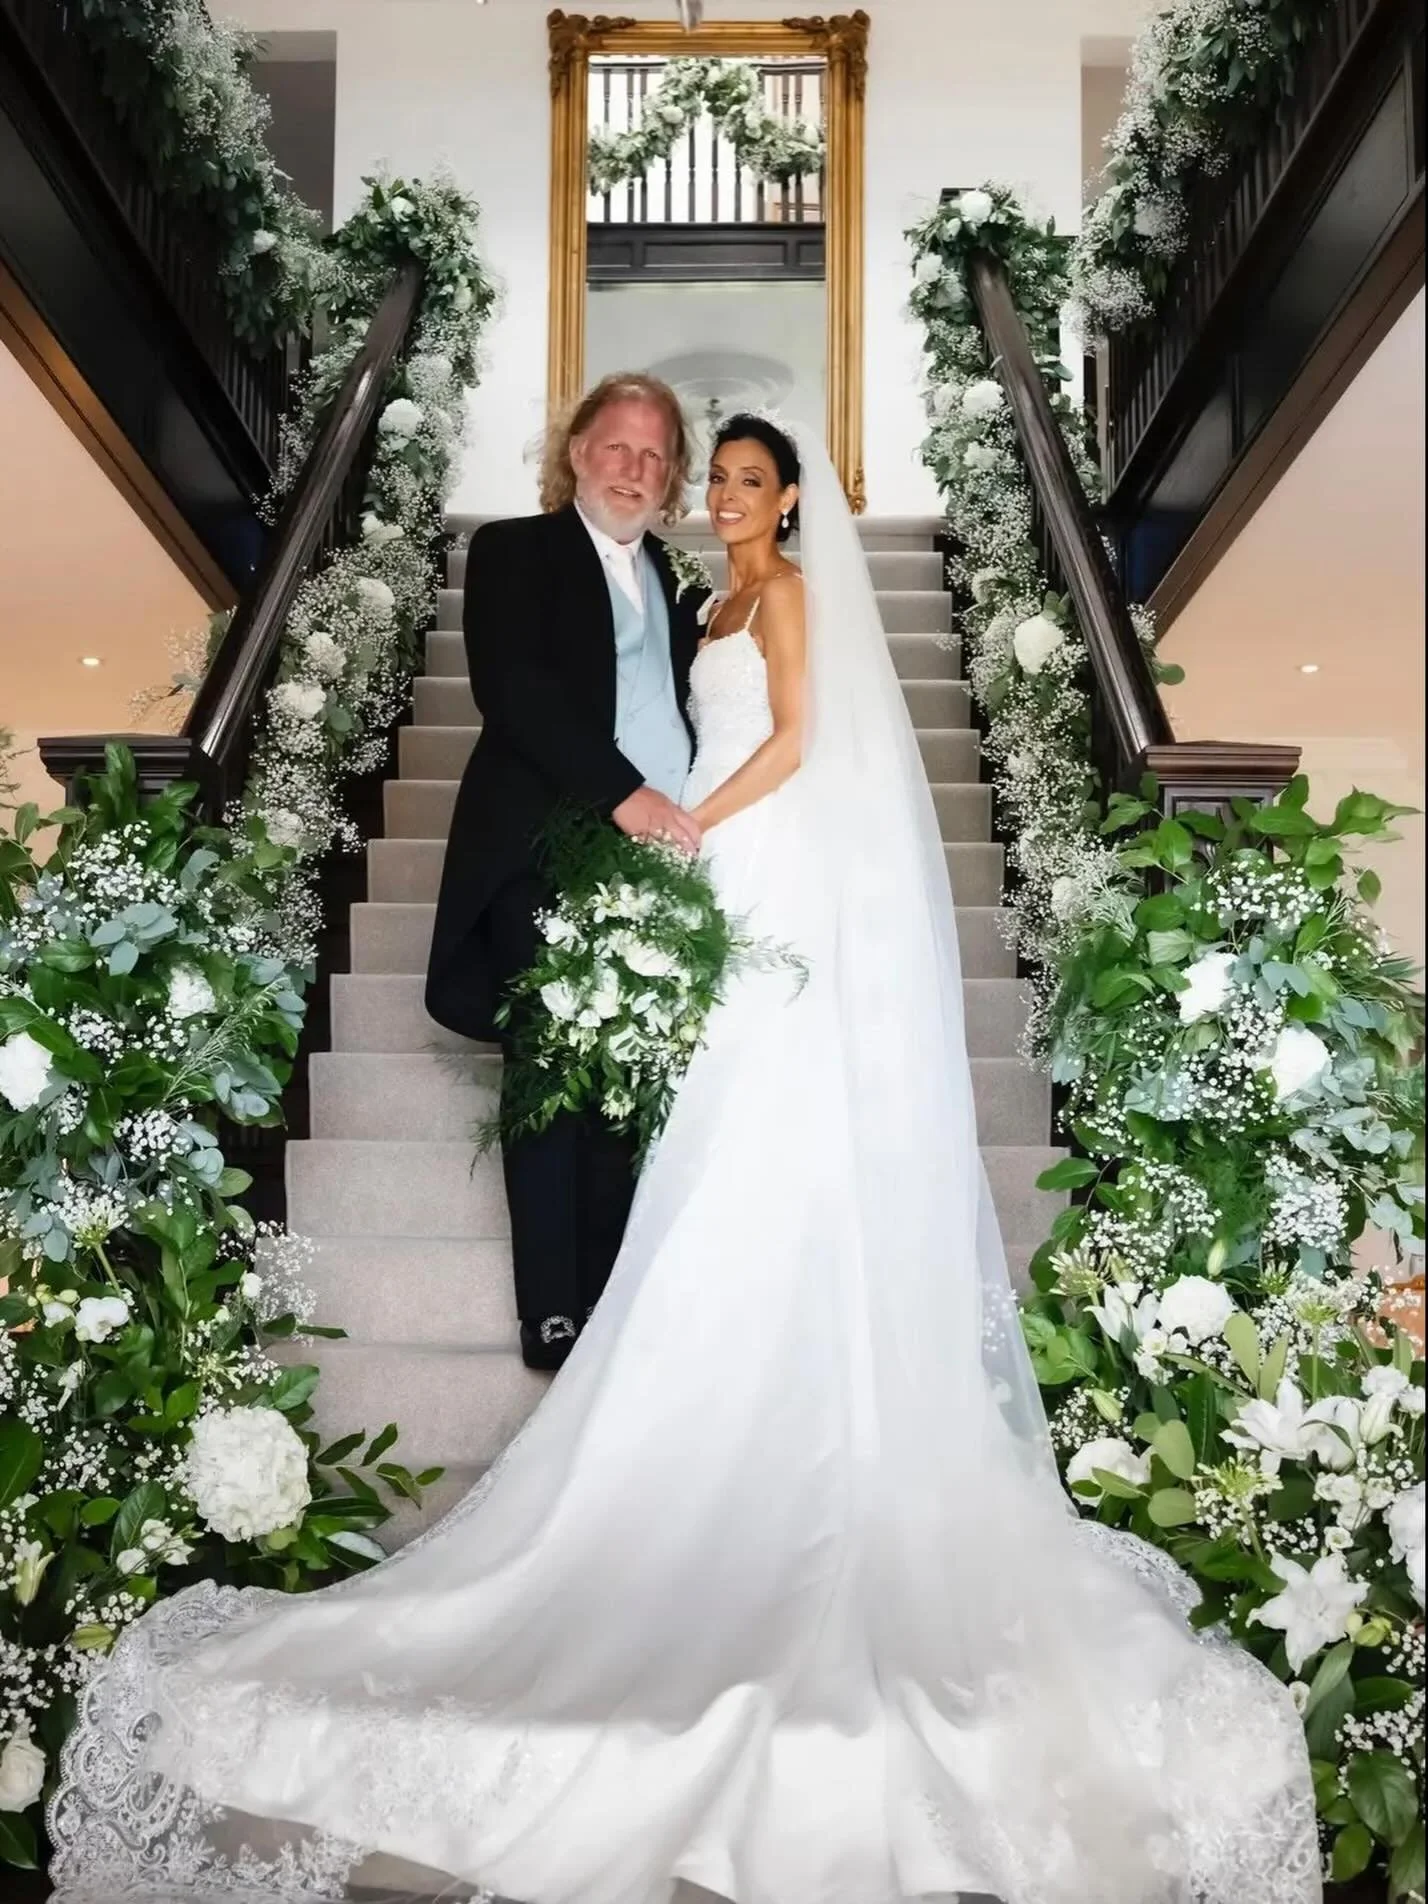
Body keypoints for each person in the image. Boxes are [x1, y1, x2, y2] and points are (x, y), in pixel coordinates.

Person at [49, 417, 1320, 1904]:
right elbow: (579, 700)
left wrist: (689, 824)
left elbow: (794, 740)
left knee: (758, 1135)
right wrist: (660, 827)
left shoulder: (776, 597)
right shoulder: (676, 587)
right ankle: (614, 1331)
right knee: (694, 1134)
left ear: (792, 498)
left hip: (745, 857)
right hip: (685, 869)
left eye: (740, 478)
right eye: (701, 473)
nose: (712, 494)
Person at [424, 373, 708, 1371]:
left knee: (627, 1077)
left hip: (657, 863)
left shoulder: (683, 581)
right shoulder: (513, 551)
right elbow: (515, 690)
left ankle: (611, 1297)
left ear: (672, 476)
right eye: (616, 447)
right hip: (544, 841)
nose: (632, 469)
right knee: (550, 1070)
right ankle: (552, 1310)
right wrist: (623, 793)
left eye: (653, 455)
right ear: (578, 451)